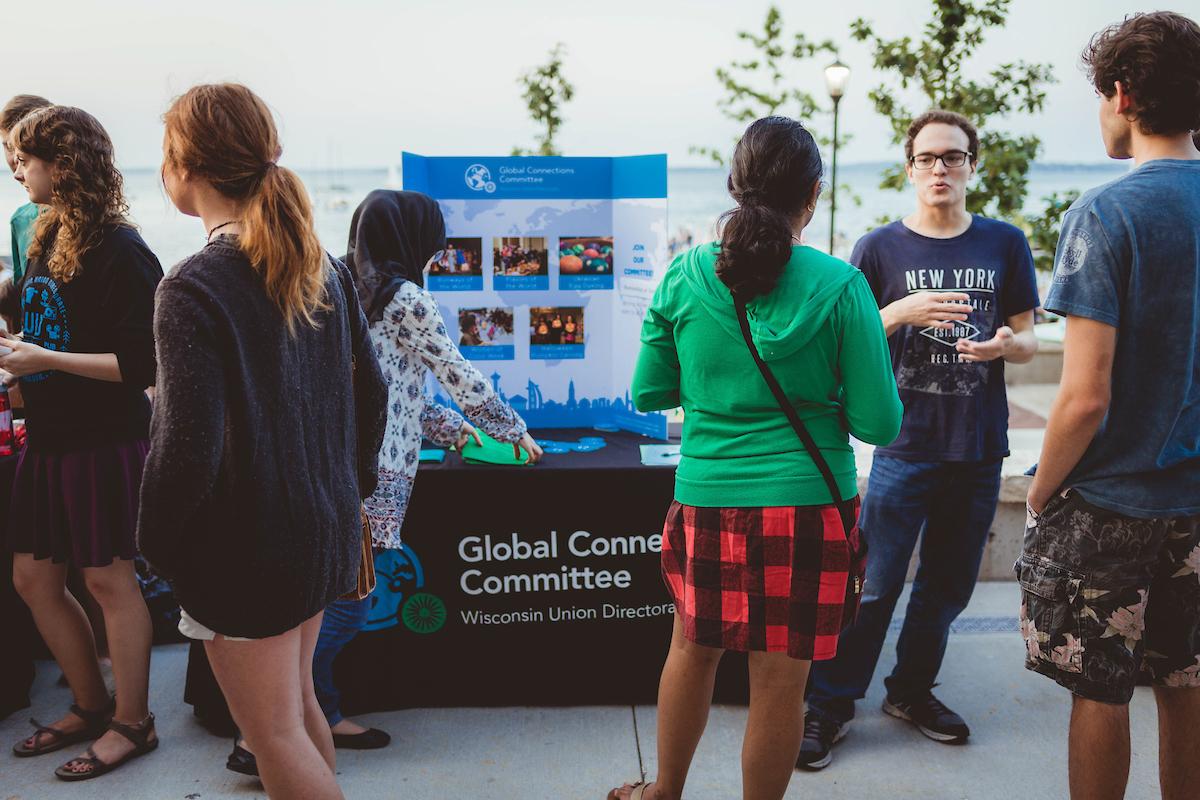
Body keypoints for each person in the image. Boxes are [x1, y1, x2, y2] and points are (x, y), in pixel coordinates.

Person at [610, 116, 902, 800]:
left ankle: (664, 794)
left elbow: (650, 391)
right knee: (781, 680)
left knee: (691, 649)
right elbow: (879, 422)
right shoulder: (840, 286)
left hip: (708, 496)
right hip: (807, 504)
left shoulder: (684, 276)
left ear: (735, 187)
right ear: (814, 195)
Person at [225, 190, 541, 767]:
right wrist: (510, 428)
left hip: (334, 461)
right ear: (410, 238)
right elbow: (455, 372)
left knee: (335, 597)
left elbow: (389, 385)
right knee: (350, 602)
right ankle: (269, 728)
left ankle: (312, 713)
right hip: (372, 473)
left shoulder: (343, 285)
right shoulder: (407, 299)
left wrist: (450, 431)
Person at [138, 82, 388, 800]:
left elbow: (186, 446)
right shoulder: (323, 265)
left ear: (185, 166)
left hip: (246, 548)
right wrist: (350, 486)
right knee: (297, 709)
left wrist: (154, 546)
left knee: (274, 733)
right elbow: (372, 394)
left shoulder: (193, 286)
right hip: (322, 526)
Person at [800, 109, 1041, 769]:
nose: (941, 168)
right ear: (910, 169)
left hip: (978, 446)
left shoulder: (1004, 243)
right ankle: (829, 705)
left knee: (946, 587)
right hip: (903, 446)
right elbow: (843, 342)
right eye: (929, 158)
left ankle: (909, 692)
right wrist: (897, 312)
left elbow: (1029, 338)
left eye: (953, 157)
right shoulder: (878, 248)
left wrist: (1003, 346)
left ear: (972, 166)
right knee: (874, 586)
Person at [1018, 13, 1200, 800]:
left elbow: (1085, 397)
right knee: (1189, 686)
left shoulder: (1105, 214)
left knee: (1102, 689)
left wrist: (1037, 489)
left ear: (1122, 95)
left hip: (1111, 507)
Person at [3, 105, 163, 781]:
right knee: (34, 578)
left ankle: (134, 722)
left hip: (104, 440)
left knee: (107, 580)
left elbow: (144, 368)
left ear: (63, 165)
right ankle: (90, 703)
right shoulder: (43, 233)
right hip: (50, 436)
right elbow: (46, 328)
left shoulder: (122, 249)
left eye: (26, 158)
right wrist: (21, 356)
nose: (16, 168)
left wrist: (45, 361)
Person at [0, 92, 51, 723]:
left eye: (21, 151)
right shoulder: (19, 218)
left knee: (95, 568)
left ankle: (105, 682)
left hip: (64, 401)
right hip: (25, 384)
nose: (13, 163)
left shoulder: (106, 237)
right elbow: (25, 289)